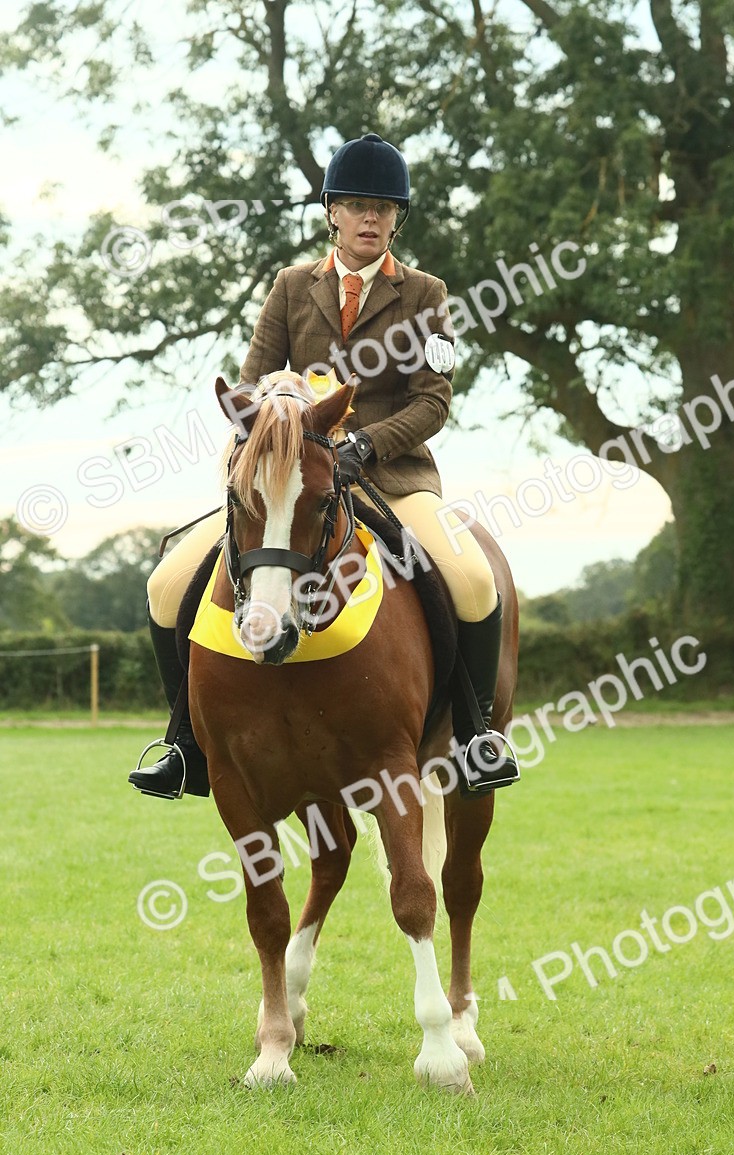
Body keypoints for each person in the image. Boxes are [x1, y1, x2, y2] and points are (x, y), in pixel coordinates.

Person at [128, 132, 520, 800]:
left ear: (399, 218)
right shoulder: (290, 287)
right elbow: (251, 388)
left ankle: (476, 736)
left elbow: (433, 400)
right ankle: (183, 744)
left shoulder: (426, 293)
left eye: (385, 207)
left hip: (392, 479)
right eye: (359, 204)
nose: (372, 218)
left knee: (473, 578)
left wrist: (367, 445)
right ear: (332, 212)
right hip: (295, 482)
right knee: (167, 584)